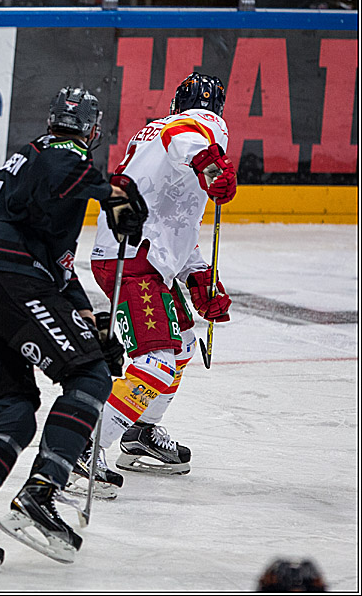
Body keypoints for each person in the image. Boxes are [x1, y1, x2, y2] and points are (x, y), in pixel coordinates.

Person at [0, 87, 148, 572]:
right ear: (91, 130)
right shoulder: (61, 152)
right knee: (89, 378)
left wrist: (90, 325)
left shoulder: (27, 168)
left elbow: (59, 271)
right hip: (8, 278)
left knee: (15, 413)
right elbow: (62, 174)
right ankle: (39, 497)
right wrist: (113, 193)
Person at [76, 73, 237, 497]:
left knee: (182, 344)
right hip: (131, 259)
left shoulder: (158, 136)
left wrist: (199, 275)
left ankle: (139, 432)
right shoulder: (194, 128)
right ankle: (80, 447)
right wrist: (210, 161)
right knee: (156, 361)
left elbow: (175, 219)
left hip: (141, 255)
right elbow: (187, 131)